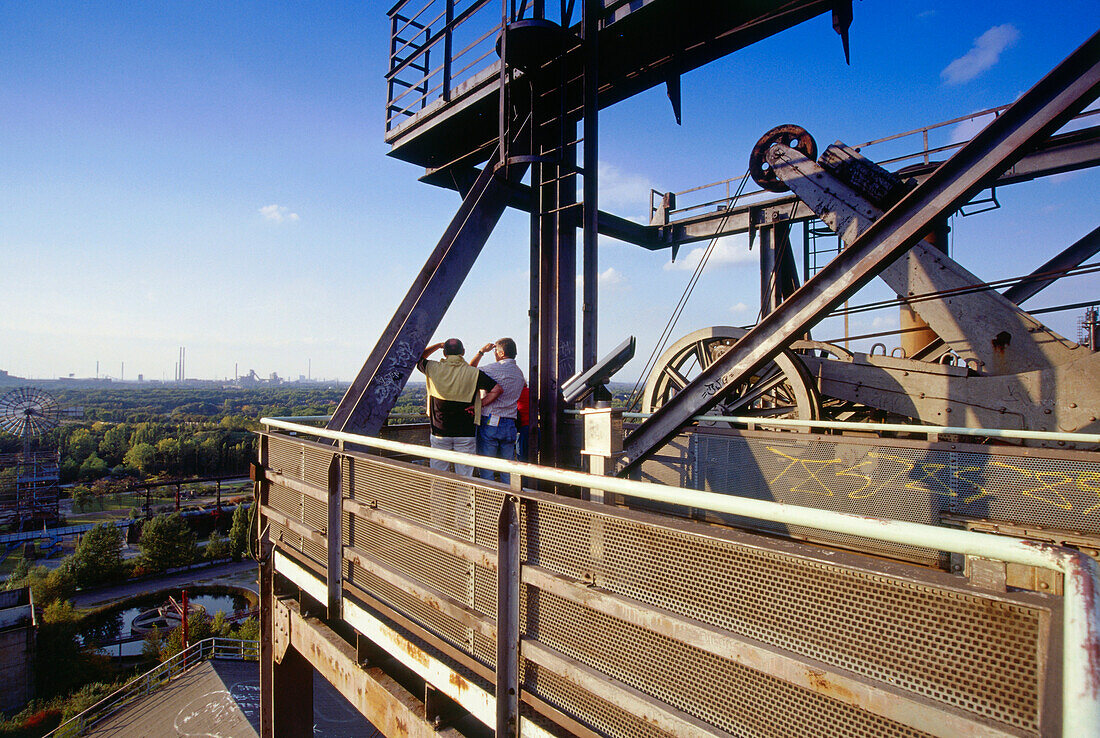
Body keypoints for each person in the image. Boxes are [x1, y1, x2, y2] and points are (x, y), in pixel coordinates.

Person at [417, 338, 501, 477]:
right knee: (465, 477)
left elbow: (418, 357)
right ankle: (464, 499)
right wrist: (478, 405)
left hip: (440, 431)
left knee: (439, 476)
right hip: (465, 432)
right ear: (463, 352)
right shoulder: (473, 373)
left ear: (444, 353)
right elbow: (497, 389)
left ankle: (439, 499)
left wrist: (437, 345)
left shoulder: (432, 368)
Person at [470, 338, 526, 482]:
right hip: (510, 424)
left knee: (487, 468)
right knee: (507, 469)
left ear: (501, 353)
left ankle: (490, 501)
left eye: (495, 352)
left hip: (490, 420)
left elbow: (469, 371)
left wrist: (481, 352)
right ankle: (510, 501)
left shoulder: (494, 369)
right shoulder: (519, 374)